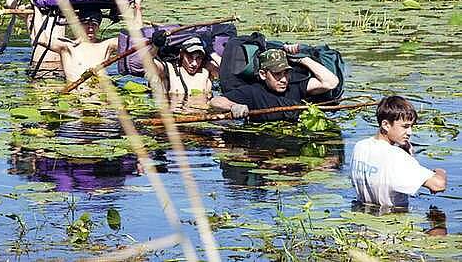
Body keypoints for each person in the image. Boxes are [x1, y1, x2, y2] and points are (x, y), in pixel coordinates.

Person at [350, 96, 447, 208]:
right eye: (405, 126)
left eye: (411, 126)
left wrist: (408, 155)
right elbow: (438, 185)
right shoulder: (397, 156)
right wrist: (440, 171)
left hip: (363, 215)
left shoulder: (360, 146)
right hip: (393, 218)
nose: (409, 132)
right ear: (386, 125)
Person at [209, 46, 339, 121]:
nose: (283, 79)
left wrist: (303, 59)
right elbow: (215, 102)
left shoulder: (295, 85)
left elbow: (330, 83)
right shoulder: (252, 92)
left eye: (286, 73)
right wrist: (234, 106)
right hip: (264, 150)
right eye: (277, 74)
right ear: (263, 74)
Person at [148, 31, 220, 96]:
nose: (194, 63)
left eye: (198, 58)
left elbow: (228, 71)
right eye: (190, 57)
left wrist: (211, 52)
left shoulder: (207, 69)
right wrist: (156, 46)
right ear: (182, 54)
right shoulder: (169, 69)